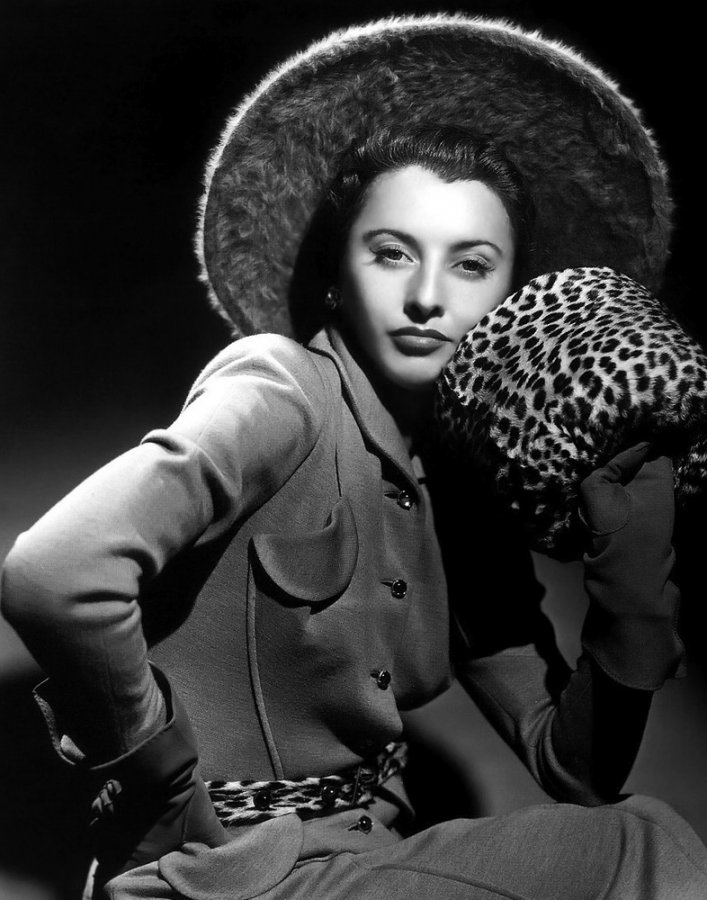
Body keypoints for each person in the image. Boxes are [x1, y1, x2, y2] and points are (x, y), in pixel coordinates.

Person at [2, 15, 707, 900]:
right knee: (645, 850)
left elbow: (573, 769)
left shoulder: (463, 489)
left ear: (510, 294)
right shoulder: (279, 391)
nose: (423, 297)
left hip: (369, 860)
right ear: (337, 274)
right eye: (391, 252)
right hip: (219, 878)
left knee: (630, 835)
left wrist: (631, 575)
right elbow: (53, 571)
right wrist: (162, 785)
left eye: (469, 265)